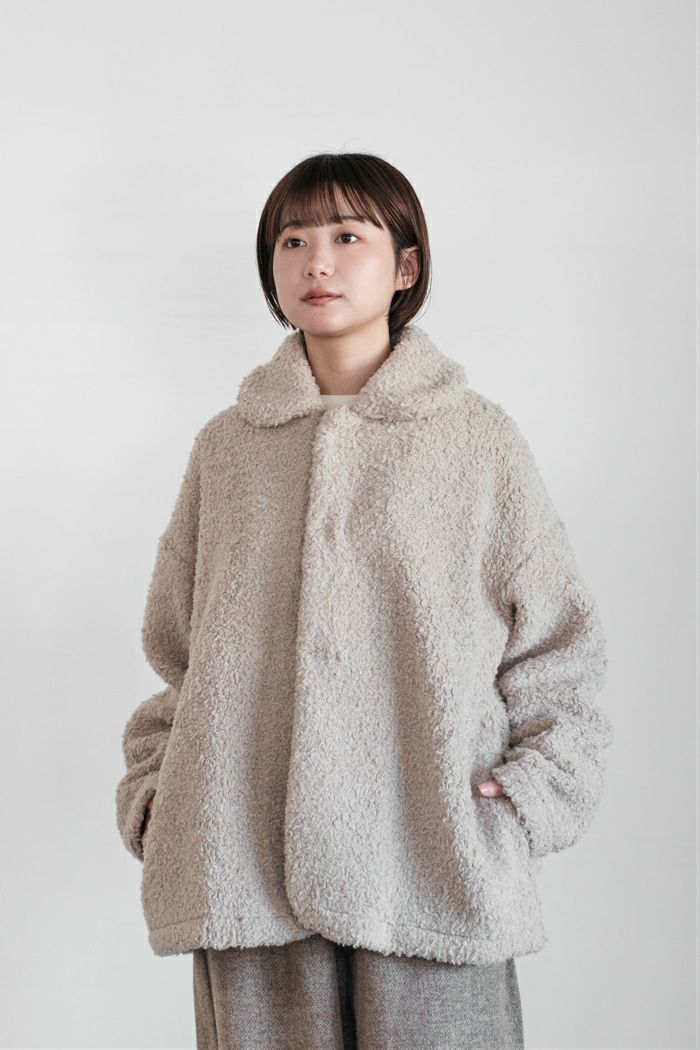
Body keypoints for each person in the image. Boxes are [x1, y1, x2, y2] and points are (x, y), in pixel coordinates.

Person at [116, 151, 613, 1049]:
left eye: (349, 237)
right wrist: (160, 795)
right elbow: (177, 650)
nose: (318, 261)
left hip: (430, 858)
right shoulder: (229, 449)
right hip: (243, 858)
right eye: (293, 241)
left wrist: (529, 796)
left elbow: (559, 649)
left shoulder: (476, 443)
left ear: (405, 266)